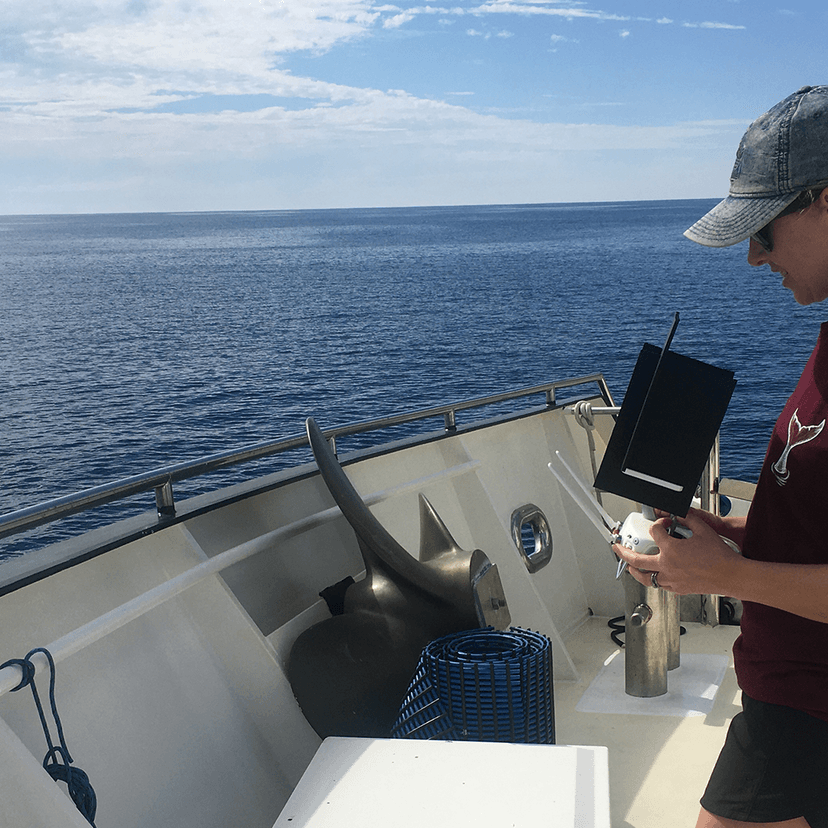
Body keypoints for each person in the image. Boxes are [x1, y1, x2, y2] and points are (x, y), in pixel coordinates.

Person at [614, 85, 828, 828]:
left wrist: (732, 576)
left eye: (765, 227)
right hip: (788, 692)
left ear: (826, 199)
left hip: (810, 709)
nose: (752, 255)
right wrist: (729, 537)